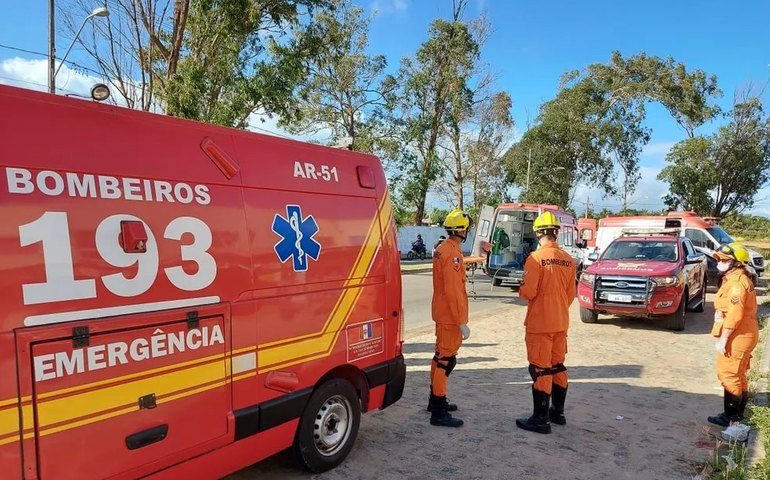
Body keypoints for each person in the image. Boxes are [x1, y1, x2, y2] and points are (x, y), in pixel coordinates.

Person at [516, 211, 576, 434]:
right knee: (558, 366)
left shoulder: (535, 258)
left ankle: (540, 420)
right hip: (560, 322)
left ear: (538, 233)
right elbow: (571, 295)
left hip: (540, 323)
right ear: (556, 233)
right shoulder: (569, 260)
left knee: (540, 370)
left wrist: (521, 288)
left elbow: (528, 292)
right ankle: (557, 413)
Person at [428, 209, 472, 428]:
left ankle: (435, 400)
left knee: (439, 357)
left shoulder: (443, 249)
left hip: (442, 312)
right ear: (461, 230)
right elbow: (454, 291)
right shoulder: (452, 253)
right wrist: (460, 321)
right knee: (446, 360)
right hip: (450, 316)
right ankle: (438, 411)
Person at [708, 242, 758, 429]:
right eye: (719, 259)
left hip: (738, 334)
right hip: (743, 331)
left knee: (728, 374)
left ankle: (731, 417)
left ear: (736, 263)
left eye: (724, 260)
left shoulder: (737, 283)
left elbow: (736, 315)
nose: (719, 262)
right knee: (738, 374)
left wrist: (724, 338)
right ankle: (736, 415)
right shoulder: (735, 278)